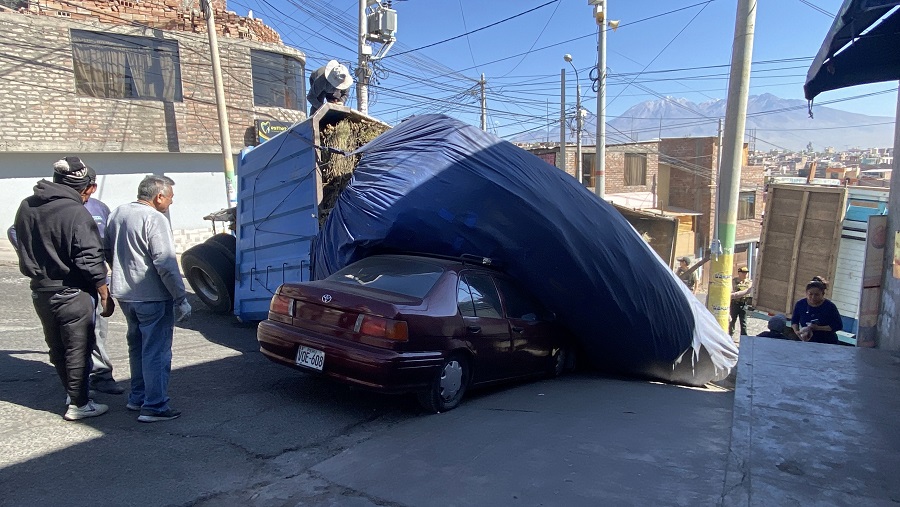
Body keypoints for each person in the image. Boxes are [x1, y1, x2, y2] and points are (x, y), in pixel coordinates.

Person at [14, 156, 114, 421]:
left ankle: (73, 394)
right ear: (87, 187)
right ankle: (79, 404)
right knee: (78, 347)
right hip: (72, 291)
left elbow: (19, 238)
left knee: (57, 346)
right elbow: (90, 257)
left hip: (41, 290)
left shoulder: (27, 206)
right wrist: (103, 291)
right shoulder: (76, 212)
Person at [105, 175, 191, 423]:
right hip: (152, 295)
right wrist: (180, 297)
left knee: (138, 347)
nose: (171, 203)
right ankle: (155, 405)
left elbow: (108, 249)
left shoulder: (118, 213)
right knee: (156, 351)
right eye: (170, 198)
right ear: (159, 197)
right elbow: (165, 263)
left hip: (125, 294)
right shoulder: (155, 219)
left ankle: (138, 397)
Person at [791, 277, 843, 345]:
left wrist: (818, 328)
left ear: (823, 294)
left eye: (817, 295)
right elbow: (794, 321)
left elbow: (838, 326)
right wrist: (797, 332)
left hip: (827, 342)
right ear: (806, 293)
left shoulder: (830, 306)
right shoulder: (800, 304)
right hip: (807, 341)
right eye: (810, 294)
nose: (813, 297)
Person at [729, 266, 752, 337]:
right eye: (743, 273)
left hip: (744, 304)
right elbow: (736, 289)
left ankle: (744, 337)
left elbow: (748, 291)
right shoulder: (734, 281)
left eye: (746, 273)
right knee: (732, 321)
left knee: (743, 322)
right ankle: (730, 336)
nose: (745, 274)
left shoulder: (749, 282)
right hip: (735, 303)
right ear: (739, 273)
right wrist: (744, 291)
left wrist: (741, 292)